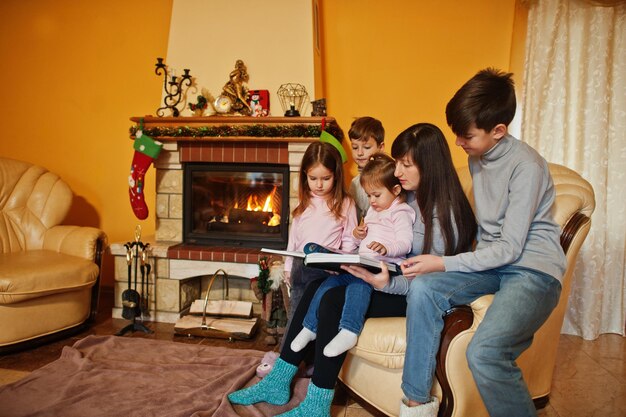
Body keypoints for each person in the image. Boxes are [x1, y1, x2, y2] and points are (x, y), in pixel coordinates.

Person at [348, 68, 567, 417]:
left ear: (498, 130)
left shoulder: (526, 166)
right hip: (493, 264)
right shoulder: (477, 157)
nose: (458, 143)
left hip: (531, 270)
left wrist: (443, 262)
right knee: (424, 289)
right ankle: (416, 404)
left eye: (466, 135)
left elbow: (512, 248)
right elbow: (490, 241)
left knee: (486, 352)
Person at [228, 123, 476, 417]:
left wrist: (385, 283)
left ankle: (316, 405)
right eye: (397, 163)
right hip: (387, 274)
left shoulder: (444, 214)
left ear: (429, 166)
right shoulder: (405, 194)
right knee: (317, 288)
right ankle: (279, 381)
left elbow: (432, 283)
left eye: (405, 165)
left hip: (408, 291)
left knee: (333, 301)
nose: (397, 171)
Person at [290, 153, 415, 358]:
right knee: (330, 283)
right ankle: (310, 327)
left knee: (358, 285)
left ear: (396, 190)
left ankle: (350, 330)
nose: (371, 201)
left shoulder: (400, 212)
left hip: (383, 266)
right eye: (368, 196)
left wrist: (387, 248)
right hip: (364, 261)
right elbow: (362, 242)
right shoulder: (374, 211)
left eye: (376, 195)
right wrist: (358, 236)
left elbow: (405, 242)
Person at [282, 141, 358, 320]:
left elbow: (349, 240)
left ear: (336, 175)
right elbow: (294, 239)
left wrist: (340, 265)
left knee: (318, 317)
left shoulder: (345, 203)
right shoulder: (305, 202)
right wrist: (287, 266)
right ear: (305, 176)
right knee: (296, 317)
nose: (319, 185)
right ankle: (289, 348)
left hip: (327, 269)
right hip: (301, 268)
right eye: (313, 178)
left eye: (326, 178)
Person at [347, 117, 385, 221]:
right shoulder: (355, 184)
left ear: (380, 147)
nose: (359, 153)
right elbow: (355, 219)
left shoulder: (390, 175)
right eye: (355, 148)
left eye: (367, 147)